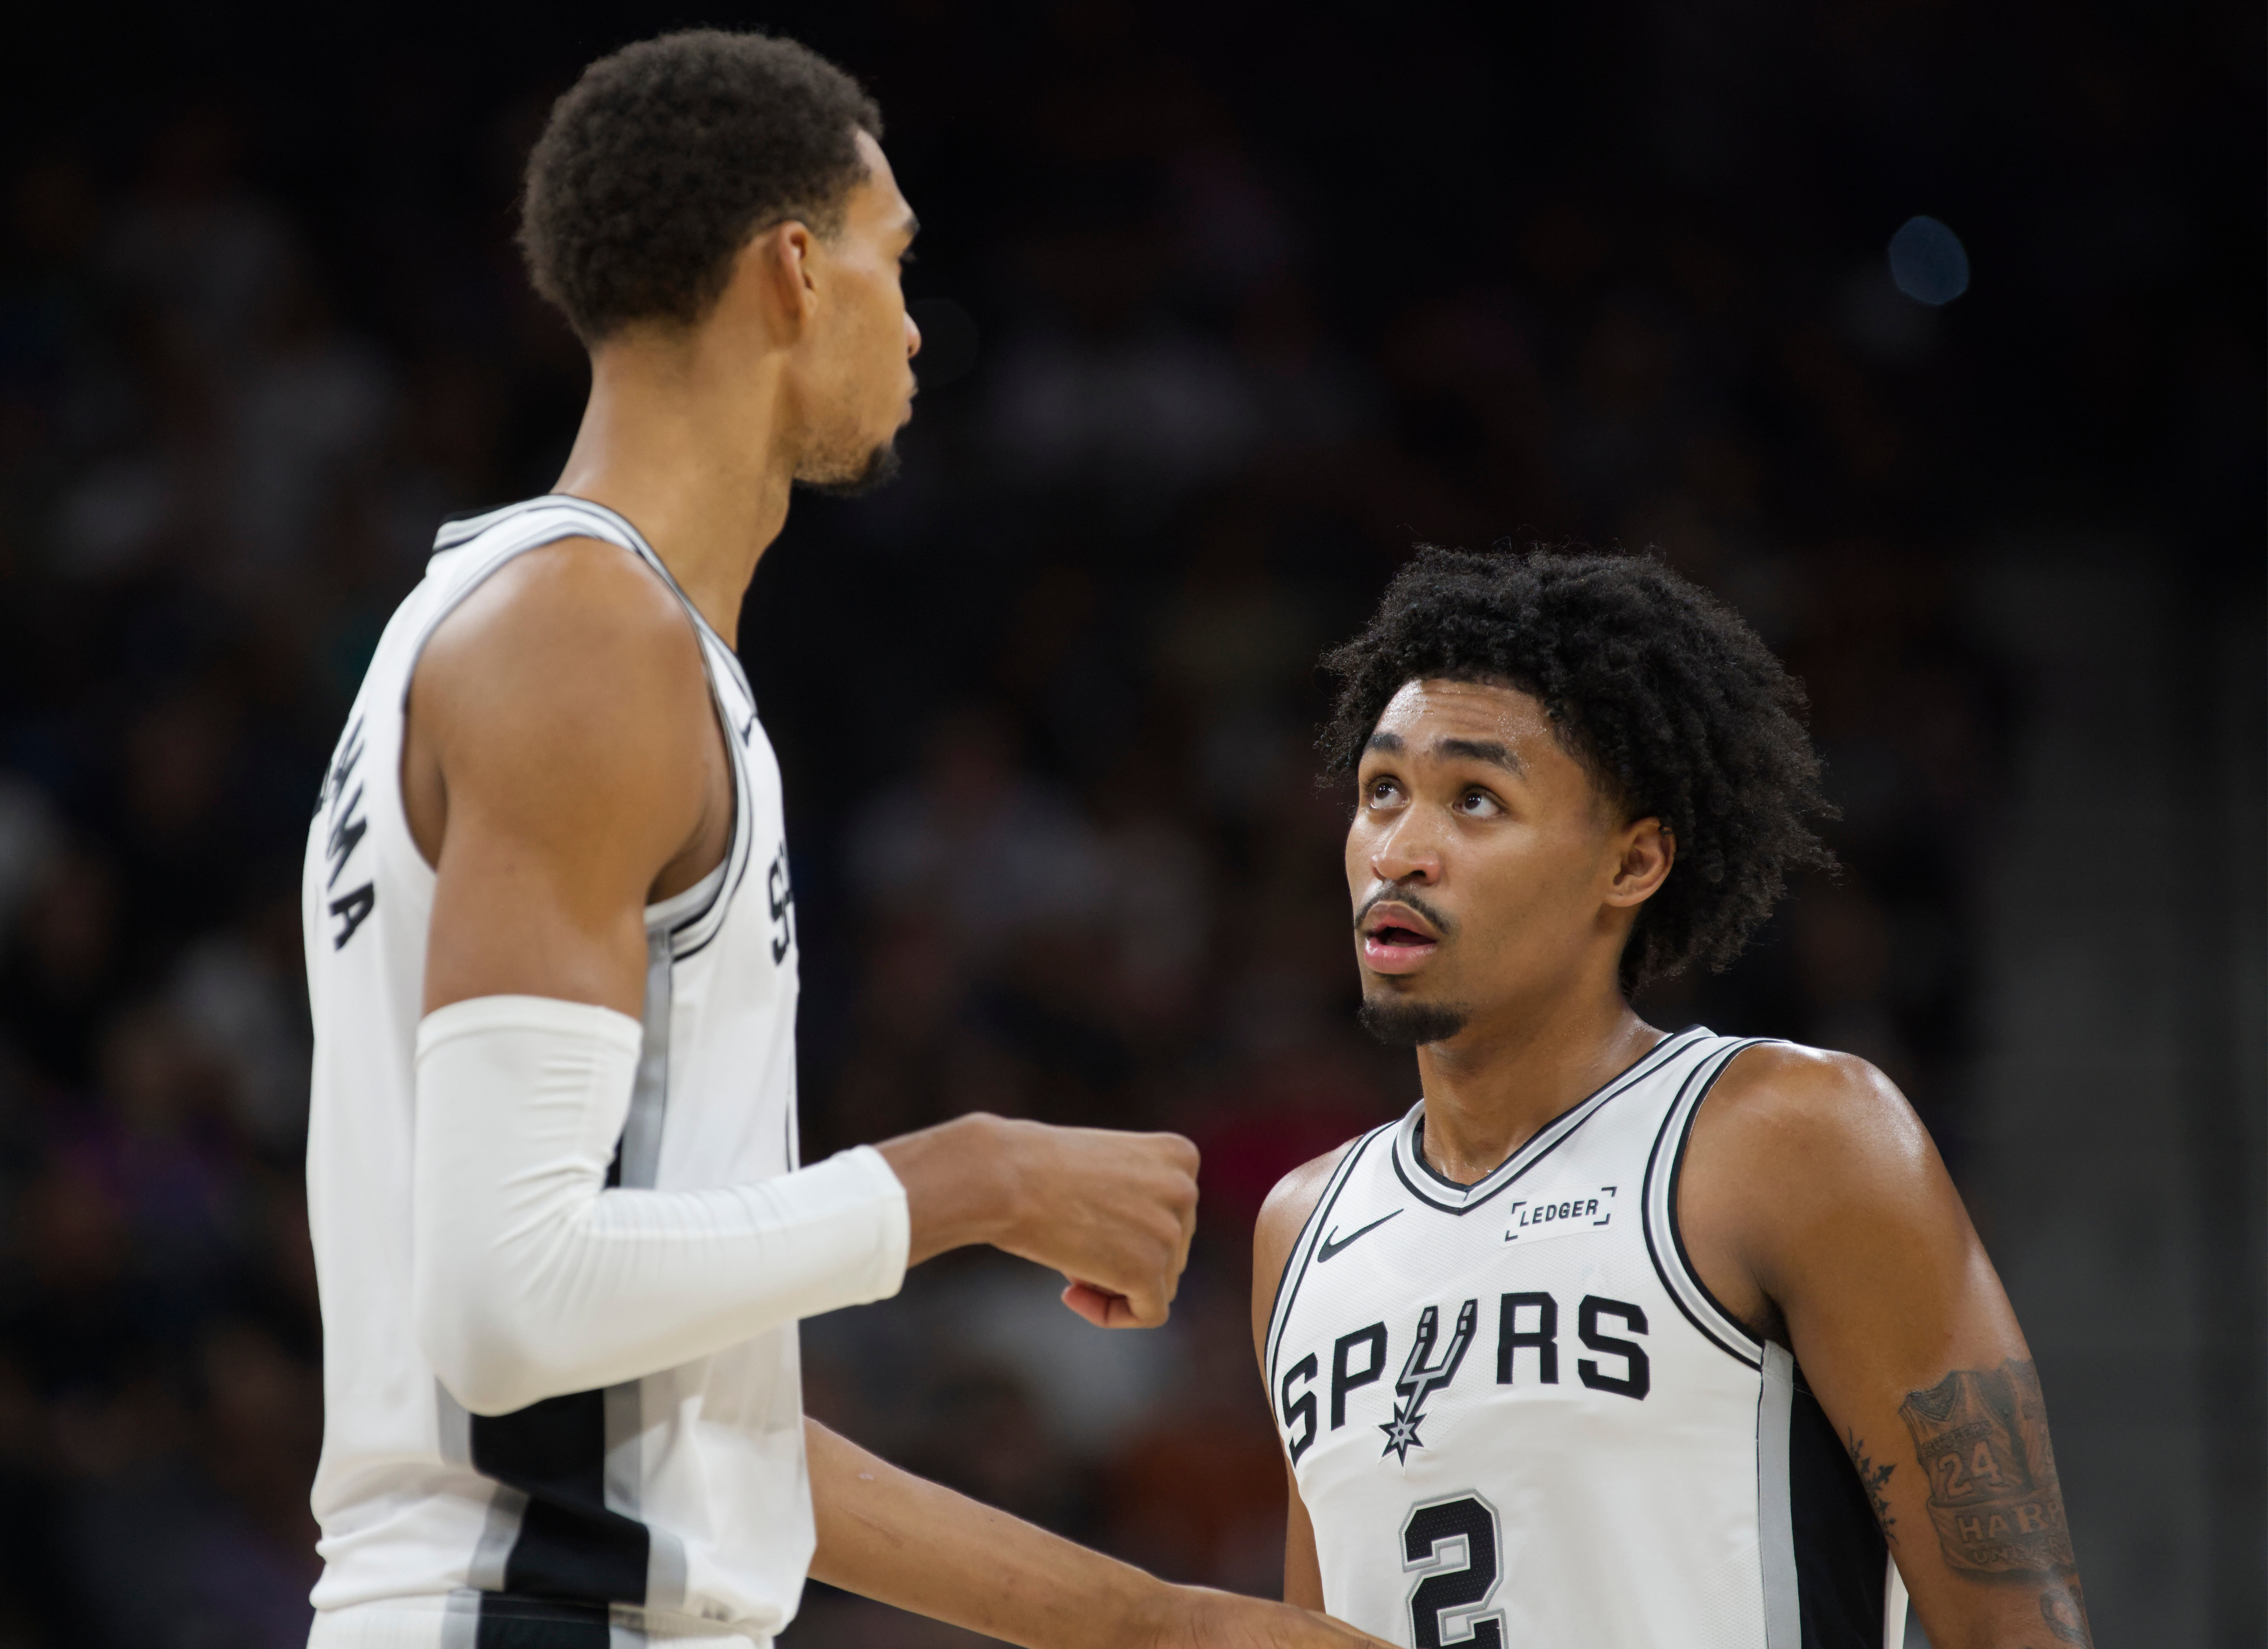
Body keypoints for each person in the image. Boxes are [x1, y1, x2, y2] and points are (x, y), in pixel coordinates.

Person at [302, 29, 1380, 1649]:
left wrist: (1157, 1624)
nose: (917, 321)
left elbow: (671, 1427)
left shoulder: (560, 629)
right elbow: (509, 1305)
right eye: (896, 257)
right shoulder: (580, 637)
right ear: (795, 272)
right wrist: (977, 1175)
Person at [1252, 548, 2093, 1649]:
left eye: (1475, 799)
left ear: (1632, 862)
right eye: (1381, 792)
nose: (1399, 852)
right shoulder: (1301, 1228)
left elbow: (2017, 1626)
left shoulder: (1788, 1135)